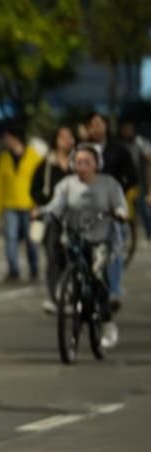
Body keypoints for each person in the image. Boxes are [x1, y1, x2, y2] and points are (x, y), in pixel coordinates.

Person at [43, 144, 127, 349]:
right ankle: (74, 297)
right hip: (75, 238)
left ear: (97, 164)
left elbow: (120, 205)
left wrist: (119, 213)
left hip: (101, 240)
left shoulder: (109, 184)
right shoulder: (66, 185)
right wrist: (42, 212)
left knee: (98, 277)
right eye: (78, 162)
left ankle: (107, 322)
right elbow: (56, 205)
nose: (82, 167)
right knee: (72, 268)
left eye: (87, 162)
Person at [83, 111, 138, 312]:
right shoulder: (82, 149)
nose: (96, 128)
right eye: (92, 124)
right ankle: (88, 290)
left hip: (113, 208)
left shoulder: (118, 149)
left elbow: (132, 176)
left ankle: (114, 291)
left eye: (99, 124)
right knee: (88, 250)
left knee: (114, 250)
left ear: (106, 126)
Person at [30, 126, 76, 313]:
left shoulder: (80, 162)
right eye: (62, 137)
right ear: (55, 140)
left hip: (76, 217)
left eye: (69, 136)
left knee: (75, 257)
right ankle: (54, 298)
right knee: (53, 256)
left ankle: (74, 296)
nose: (67, 140)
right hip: (53, 218)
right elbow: (34, 189)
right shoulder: (47, 164)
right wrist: (43, 204)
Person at [0, 126, 42, 282]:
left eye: (7, 137)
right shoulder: (4, 157)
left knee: (31, 240)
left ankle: (34, 269)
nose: (5, 141)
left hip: (29, 205)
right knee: (10, 238)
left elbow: (39, 183)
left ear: (15, 137)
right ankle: (13, 271)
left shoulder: (34, 156)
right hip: (9, 204)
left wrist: (38, 204)